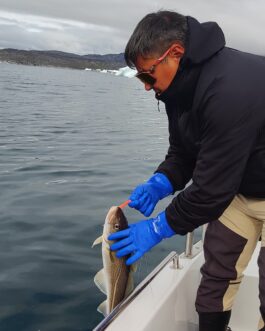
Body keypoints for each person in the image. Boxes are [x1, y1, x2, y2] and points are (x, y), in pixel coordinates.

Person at [108, 10, 265, 331]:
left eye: (147, 75)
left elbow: (210, 190)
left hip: (231, 184)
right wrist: (162, 180)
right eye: (140, 77)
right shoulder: (176, 90)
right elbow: (183, 152)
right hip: (238, 190)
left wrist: (158, 228)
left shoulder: (230, 88)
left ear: (175, 54)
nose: (146, 87)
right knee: (215, 282)